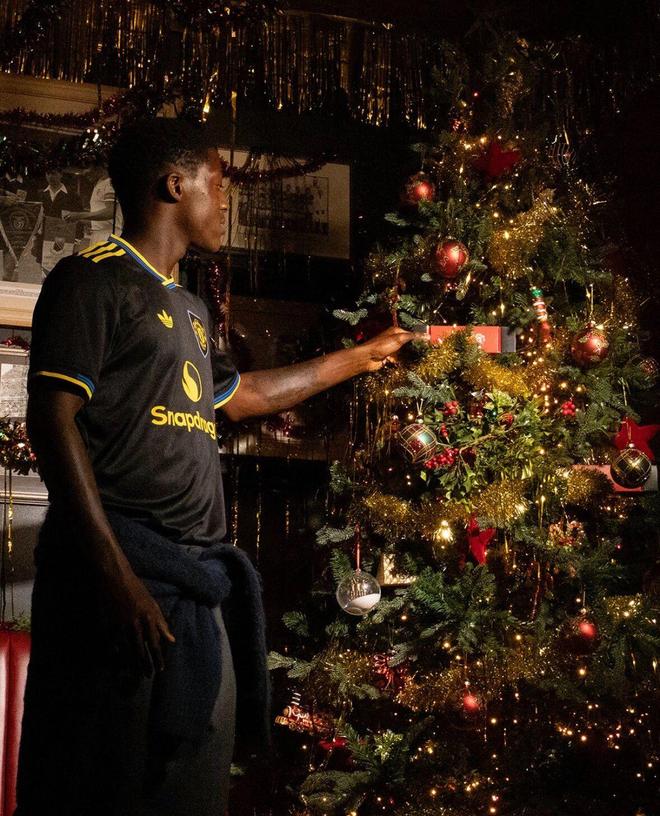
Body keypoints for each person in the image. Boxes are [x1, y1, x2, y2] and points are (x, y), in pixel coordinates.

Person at [17, 118, 422, 816]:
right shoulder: (91, 279)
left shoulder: (192, 307)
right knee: (96, 789)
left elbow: (247, 396)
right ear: (176, 185)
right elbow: (52, 422)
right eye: (219, 183)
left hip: (194, 587)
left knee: (193, 792)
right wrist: (117, 578)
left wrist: (361, 359)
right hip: (119, 585)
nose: (227, 200)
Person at [63, 162, 123, 245]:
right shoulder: (98, 185)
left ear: (99, 168)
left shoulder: (109, 183)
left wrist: (80, 215)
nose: (84, 173)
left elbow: (110, 212)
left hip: (108, 235)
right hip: (98, 234)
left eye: (87, 168)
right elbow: (99, 222)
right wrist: (77, 219)